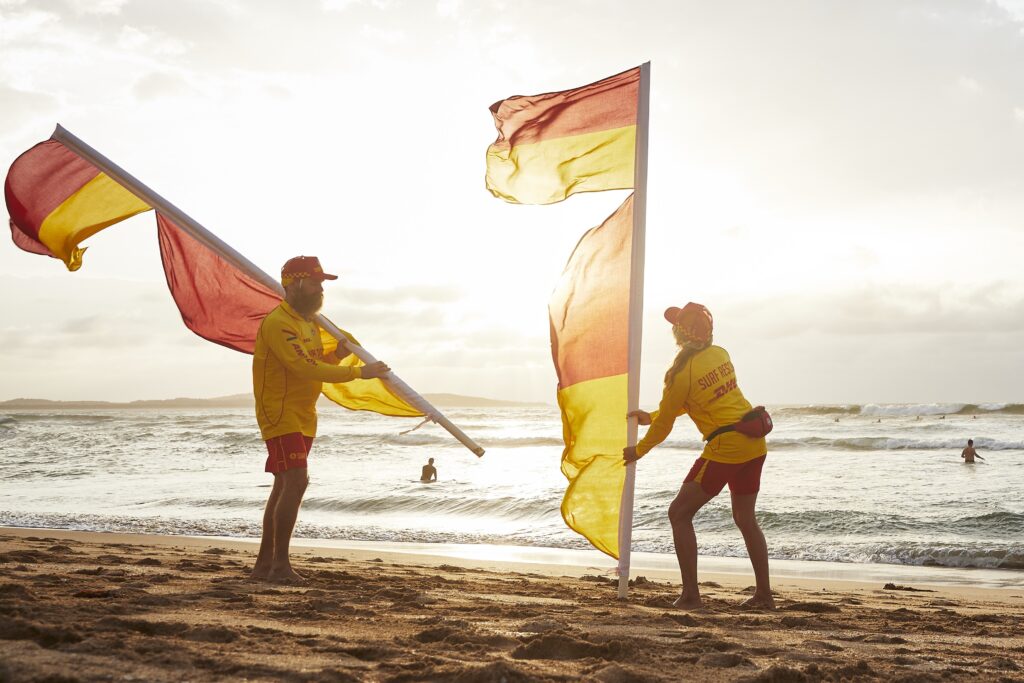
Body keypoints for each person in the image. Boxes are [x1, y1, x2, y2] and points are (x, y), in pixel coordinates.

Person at [623, 302, 773, 610]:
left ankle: (691, 594)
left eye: (676, 325)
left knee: (679, 513)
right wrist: (652, 416)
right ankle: (764, 596)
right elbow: (696, 400)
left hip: (726, 447)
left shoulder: (680, 373)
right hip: (754, 443)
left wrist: (638, 450)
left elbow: (669, 419)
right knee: (746, 519)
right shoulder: (720, 354)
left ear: (680, 333)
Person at [251, 256, 390, 582]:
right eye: (315, 282)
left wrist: (337, 355)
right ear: (295, 283)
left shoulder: (310, 323)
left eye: (322, 283)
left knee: (284, 483)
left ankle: (263, 566)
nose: (320, 288)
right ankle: (280, 567)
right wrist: (359, 371)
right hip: (279, 410)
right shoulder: (278, 323)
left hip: (303, 414)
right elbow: (302, 367)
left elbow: (314, 361)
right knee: (297, 480)